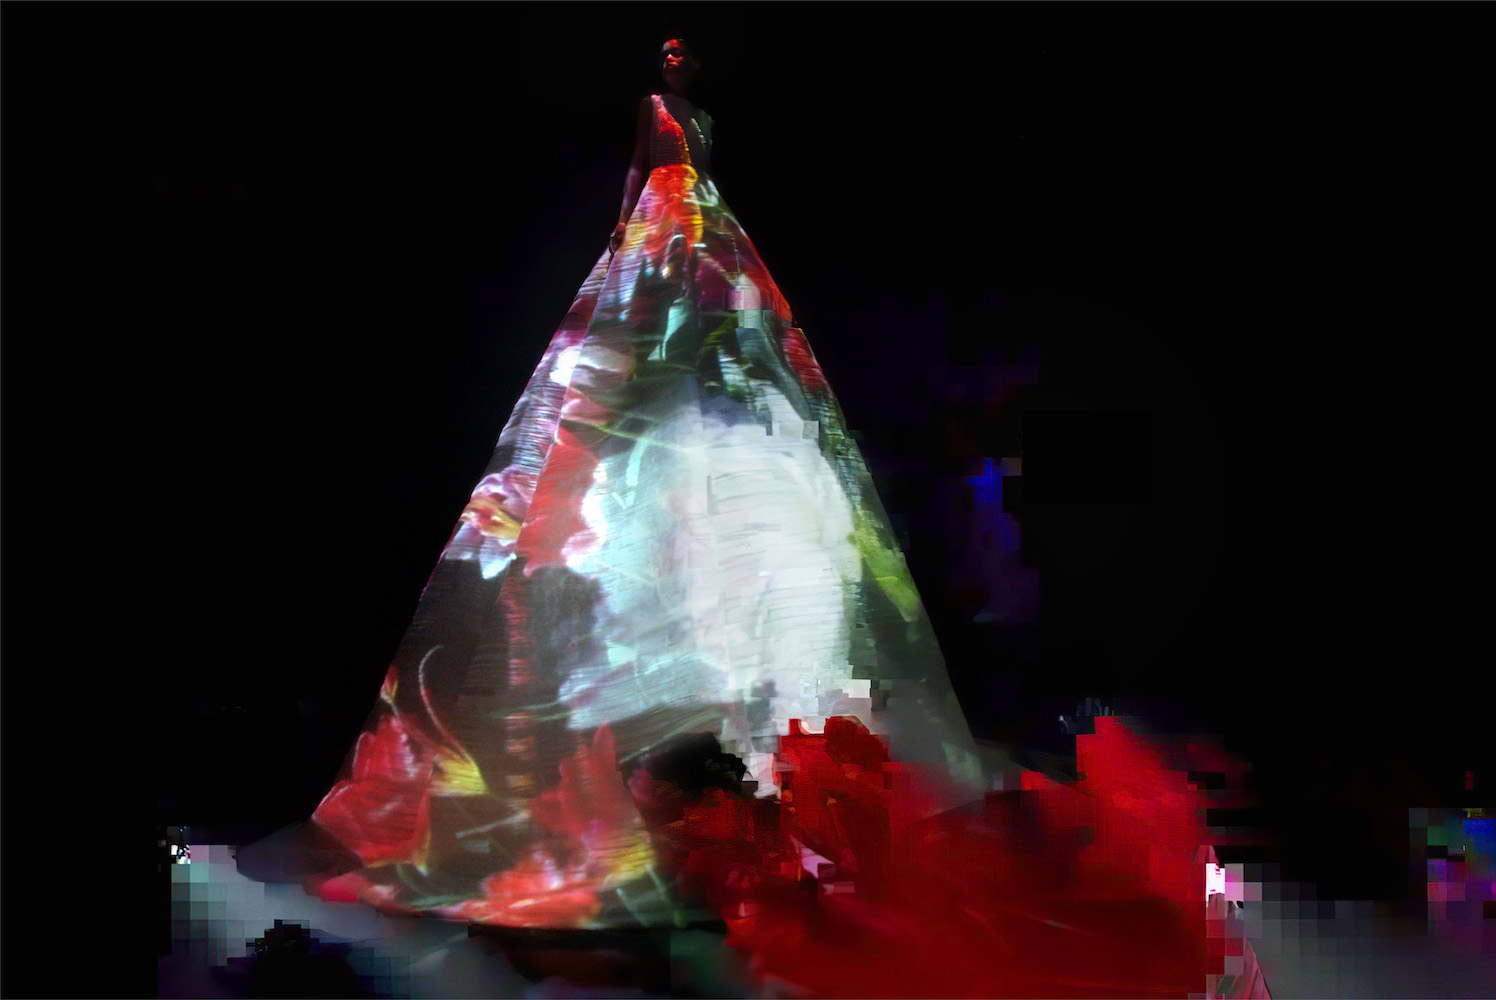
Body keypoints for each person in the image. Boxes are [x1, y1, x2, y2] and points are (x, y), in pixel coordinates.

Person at [242, 33, 991, 936]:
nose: (677, 62)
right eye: (667, 53)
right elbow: (638, 175)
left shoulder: (700, 120)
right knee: (644, 378)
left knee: (729, 379)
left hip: (709, 238)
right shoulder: (653, 113)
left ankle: (763, 787)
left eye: (685, 54)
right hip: (659, 235)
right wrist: (627, 229)